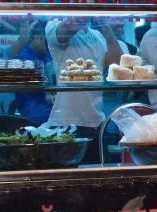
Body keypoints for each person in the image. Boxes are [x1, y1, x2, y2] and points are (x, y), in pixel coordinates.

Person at [45, 11, 122, 163]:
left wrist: (105, 24)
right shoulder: (53, 25)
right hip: (66, 123)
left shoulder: (97, 35)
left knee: (98, 177)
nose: (90, 1)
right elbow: (71, 24)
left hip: (97, 122)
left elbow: (116, 63)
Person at [13, 21, 54, 124]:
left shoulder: (47, 55)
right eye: (47, 42)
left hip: (50, 108)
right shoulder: (23, 59)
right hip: (31, 108)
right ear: (36, 38)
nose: (49, 46)